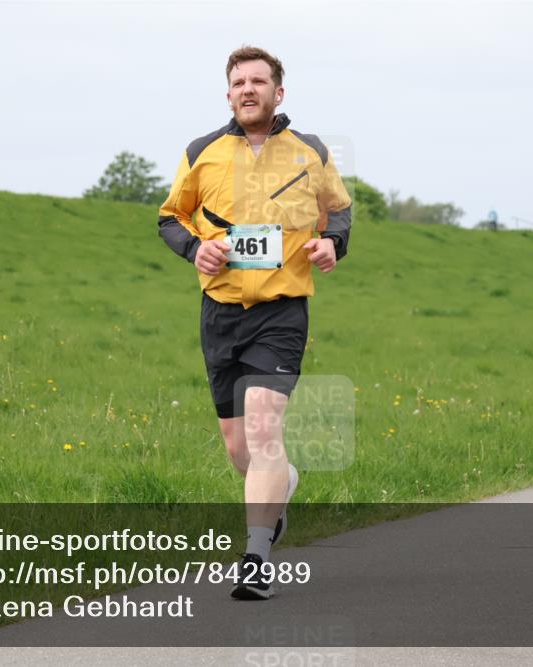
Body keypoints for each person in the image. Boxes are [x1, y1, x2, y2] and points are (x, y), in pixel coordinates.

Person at [157, 46, 352, 598]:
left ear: (277, 92)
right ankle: (282, 484)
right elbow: (170, 217)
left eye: (259, 81)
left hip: (281, 311)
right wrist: (195, 249)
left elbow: (337, 209)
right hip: (220, 313)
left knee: (266, 430)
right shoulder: (202, 151)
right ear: (228, 95)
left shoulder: (310, 151)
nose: (248, 89)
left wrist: (332, 243)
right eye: (239, 82)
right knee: (239, 449)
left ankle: (256, 559)